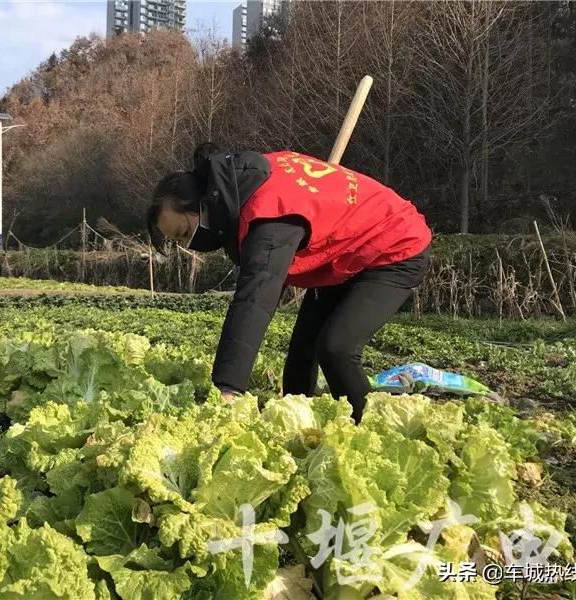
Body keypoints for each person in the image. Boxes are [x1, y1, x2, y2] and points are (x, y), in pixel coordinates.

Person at [146, 143, 432, 423]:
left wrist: (228, 387)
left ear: (203, 203)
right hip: (343, 253)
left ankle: (374, 433)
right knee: (302, 353)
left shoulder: (268, 215)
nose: (190, 244)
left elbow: (256, 299)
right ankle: (300, 429)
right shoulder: (246, 179)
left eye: (184, 233)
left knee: (337, 348)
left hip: (393, 246)